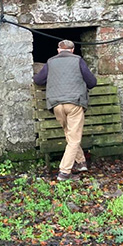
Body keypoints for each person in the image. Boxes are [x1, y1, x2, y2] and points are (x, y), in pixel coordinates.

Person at [33, 40, 97, 181]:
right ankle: (64, 171)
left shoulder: (50, 62)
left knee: (70, 134)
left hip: (56, 104)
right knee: (74, 138)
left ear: (58, 50)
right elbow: (92, 82)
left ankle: (81, 163)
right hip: (74, 103)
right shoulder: (78, 60)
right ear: (72, 50)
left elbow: (38, 80)